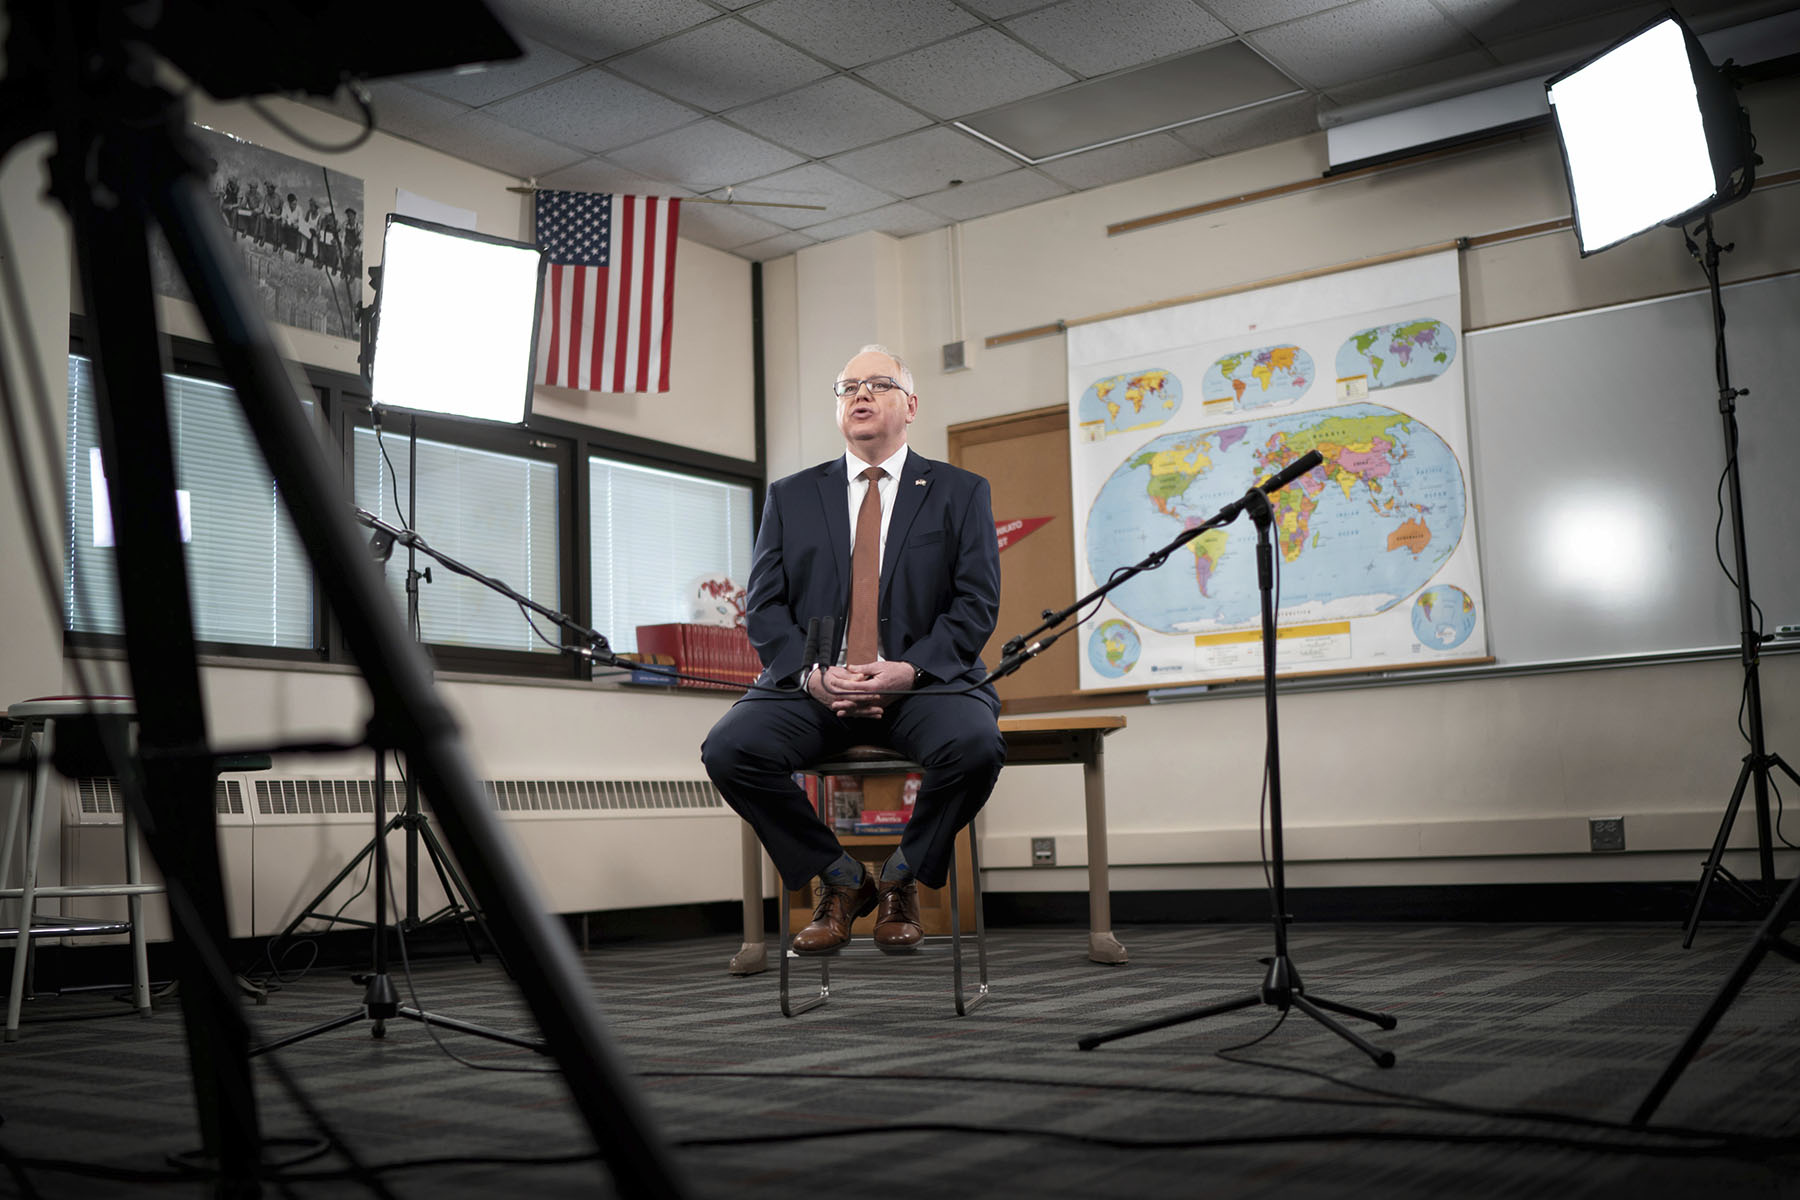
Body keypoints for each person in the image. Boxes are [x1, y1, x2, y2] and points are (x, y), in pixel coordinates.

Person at [702, 344, 1005, 955]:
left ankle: (900, 878)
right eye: (847, 387)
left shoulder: (960, 491)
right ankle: (839, 878)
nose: (860, 395)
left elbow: (976, 603)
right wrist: (809, 675)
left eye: (879, 384)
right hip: (817, 687)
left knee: (974, 747)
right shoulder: (790, 496)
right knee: (731, 749)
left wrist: (909, 669)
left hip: (923, 683)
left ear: (910, 404)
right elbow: (764, 606)